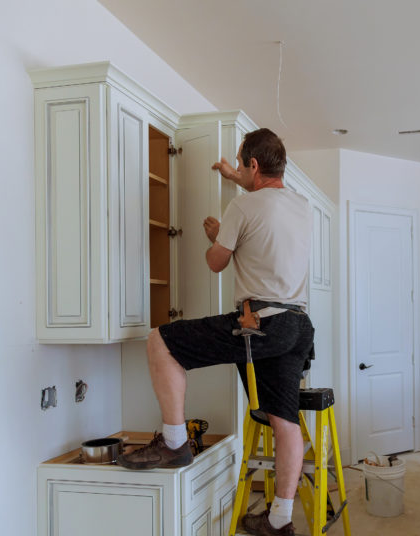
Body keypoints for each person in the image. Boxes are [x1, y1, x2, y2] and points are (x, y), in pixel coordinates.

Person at [117, 128, 314, 536]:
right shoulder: (300, 204)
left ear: (254, 165)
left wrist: (216, 236)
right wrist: (233, 174)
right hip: (297, 325)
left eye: (242, 163)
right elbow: (267, 199)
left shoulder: (242, 208)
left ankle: (175, 442)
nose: (238, 169)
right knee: (284, 421)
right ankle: (279, 521)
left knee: (160, 341)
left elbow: (215, 263)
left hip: (261, 322)